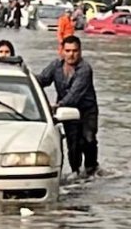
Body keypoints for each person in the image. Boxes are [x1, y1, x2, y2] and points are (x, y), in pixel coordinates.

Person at [37, 35, 99, 177]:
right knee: (73, 143)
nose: (71, 54)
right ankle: (75, 172)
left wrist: (57, 106)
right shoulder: (56, 65)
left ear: (80, 51)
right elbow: (42, 80)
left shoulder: (85, 69)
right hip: (67, 111)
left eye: (75, 51)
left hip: (86, 111)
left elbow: (74, 95)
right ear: (62, 51)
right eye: (68, 50)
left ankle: (91, 169)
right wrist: (25, 78)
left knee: (88, 139)